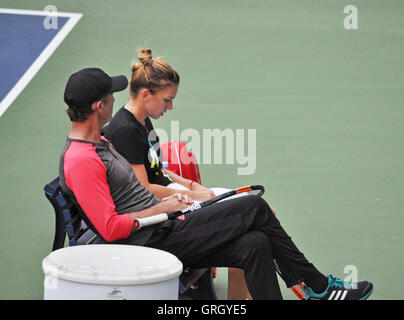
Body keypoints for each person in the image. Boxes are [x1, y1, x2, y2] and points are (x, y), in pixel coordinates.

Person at [59, 67, 374, 300]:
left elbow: (133, 193)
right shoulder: (83, 160)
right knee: (255, 206)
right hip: (149, 243)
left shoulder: (98, 141)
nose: (115, 99)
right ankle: (317, 286)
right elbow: (111, 228)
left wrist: (173, 200)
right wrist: (164, 207)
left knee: (256, 244)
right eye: (110, 95)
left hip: (162, 225)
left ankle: (314, 288)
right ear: (100, 106)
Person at [101, 48, 252, 299]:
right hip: (166, 210)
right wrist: (192, 197)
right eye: (167, 99)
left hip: (177, 197)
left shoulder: (141, 120)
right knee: (252, 223)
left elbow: (157, 170)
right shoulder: (125, 131)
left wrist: (192, 185)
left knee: (257, 220)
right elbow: (145, 188)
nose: (170, 106)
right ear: (147, 94)